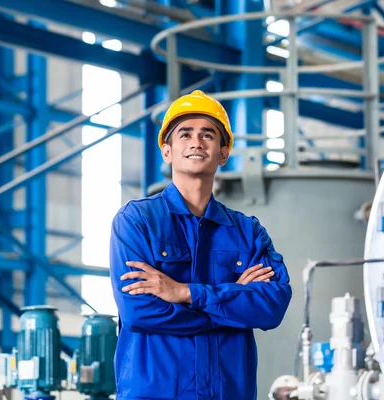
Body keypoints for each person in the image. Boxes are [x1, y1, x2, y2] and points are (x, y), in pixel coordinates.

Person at [109, 90, 292, 400]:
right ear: (167, 151)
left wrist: (185, 293)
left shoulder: (247, 231)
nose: (196, 142)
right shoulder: (137, 221)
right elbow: (139, 312)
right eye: (185, 134)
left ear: (222, 153)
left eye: (208, 135)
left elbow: (272, 306)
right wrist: (235, 301)